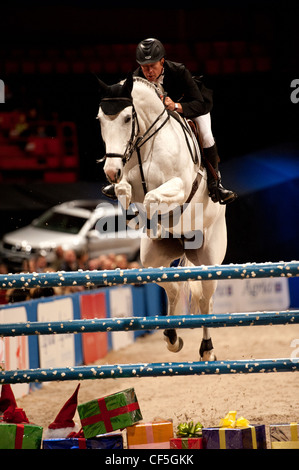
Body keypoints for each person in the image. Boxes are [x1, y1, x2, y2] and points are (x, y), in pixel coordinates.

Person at [102, 38, 237, 205]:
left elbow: (199, 103)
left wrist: (176, 106)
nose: (148, 71)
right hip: (161, 117)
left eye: (152, 66)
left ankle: (215, 184)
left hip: (191, 107)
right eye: (144, 67)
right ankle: (121, 181)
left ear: (162, 61)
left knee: (206, 135)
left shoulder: (179, 71)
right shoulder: (136, 77)